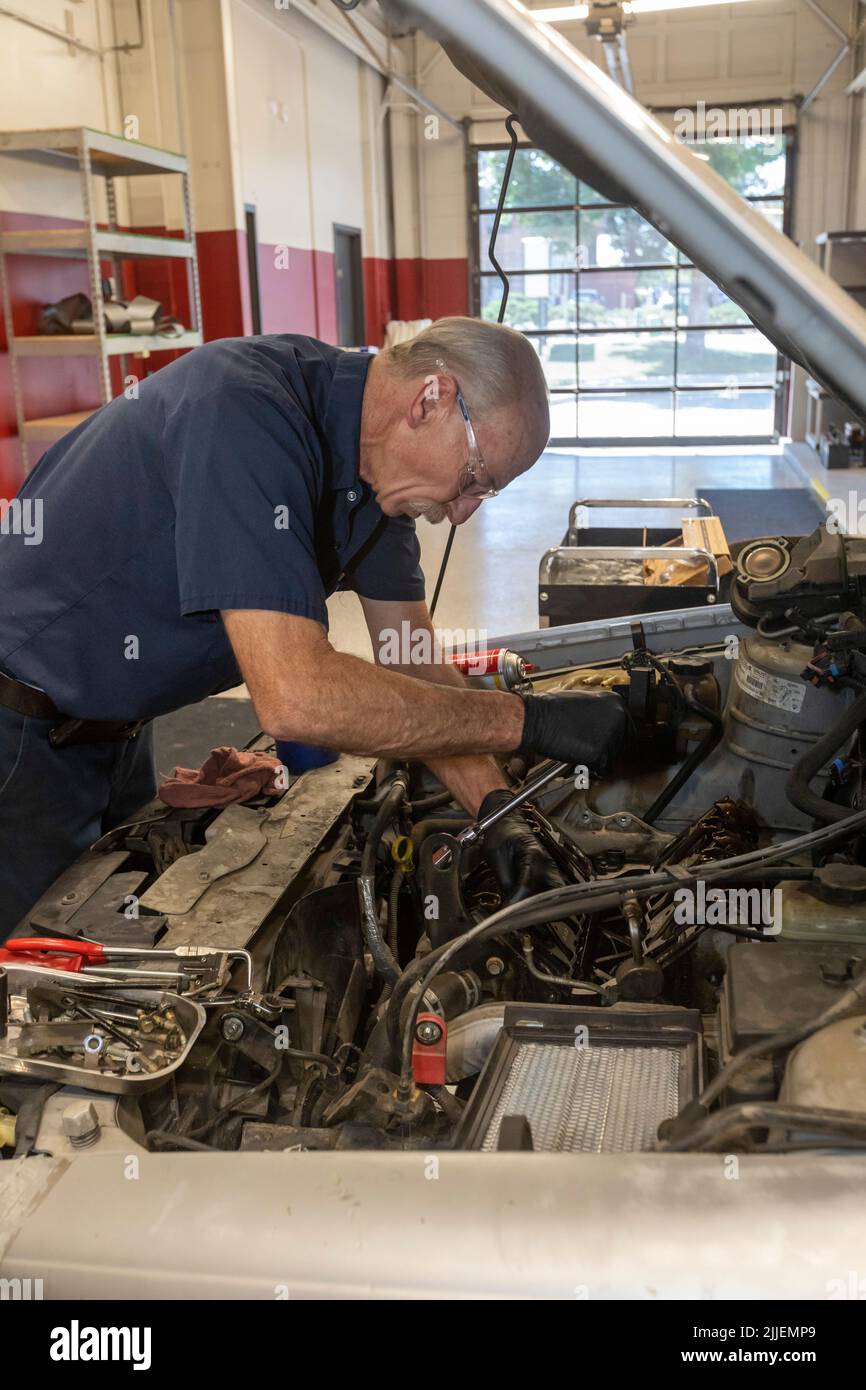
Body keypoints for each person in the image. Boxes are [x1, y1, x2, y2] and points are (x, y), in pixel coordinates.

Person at [0, 316, 627, 938]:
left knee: (109, 949)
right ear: (430, 399)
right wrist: (528, 721)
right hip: (19, 729)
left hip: (111, 729)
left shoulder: (376, 479)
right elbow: (297, 698)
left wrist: (499, 815)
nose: (461, 515)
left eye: (484, 496)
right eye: (474, 480)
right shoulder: (242, 412)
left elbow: (410, 660)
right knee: (30, 984)